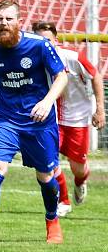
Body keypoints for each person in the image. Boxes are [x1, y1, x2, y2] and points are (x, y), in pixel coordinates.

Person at [0, 0, 68, 245]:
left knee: (45, 176)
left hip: (38, 121)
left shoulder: (39, 45)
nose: (4, 24)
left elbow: (61, 77)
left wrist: (46, 101)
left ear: (19, 21)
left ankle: (52, 220)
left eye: (9, 19)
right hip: (7, 119)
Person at [32, 20, 105, 216]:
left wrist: (99, 109)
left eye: (47, 40)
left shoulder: (72, 57)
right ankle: (63, 201)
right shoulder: (32, 61)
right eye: (39, 40)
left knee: (77, 168)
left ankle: (81, 182)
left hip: (77, 120)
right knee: (49, 161)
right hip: (50, 119)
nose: (44, 44)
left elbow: (96, 76)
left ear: (55, 40)